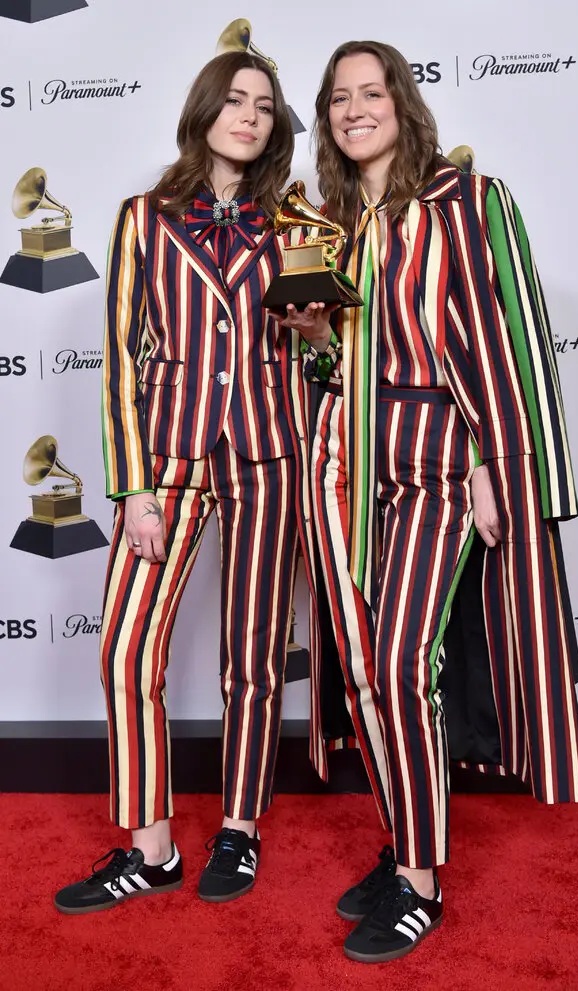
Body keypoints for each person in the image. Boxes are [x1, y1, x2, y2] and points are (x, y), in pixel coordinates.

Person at [278, 40, 578, 963]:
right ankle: (404, 840)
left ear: (402, 104)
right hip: (342, 464)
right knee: (368, 671)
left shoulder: (463, 202)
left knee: (410, 661)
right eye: (338, 97)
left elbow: (500, 343)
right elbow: (343, 367)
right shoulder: (327, 223)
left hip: (439, 465)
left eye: (370, 93)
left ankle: (420, 884)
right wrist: (311, 338)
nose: (352, 109)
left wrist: (499, 462)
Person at [54, 49, 300, 913]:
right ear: (203, 109)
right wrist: (131, 487)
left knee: (254, 654)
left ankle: (240, 825)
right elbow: (122, 357)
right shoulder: (143, 217)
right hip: (169, 461)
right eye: (234, 100)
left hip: (269, 455)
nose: (249, 116)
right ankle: (150, 846)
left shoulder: (297, 218)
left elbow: (323, 346)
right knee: (126, 648)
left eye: (265, 106)